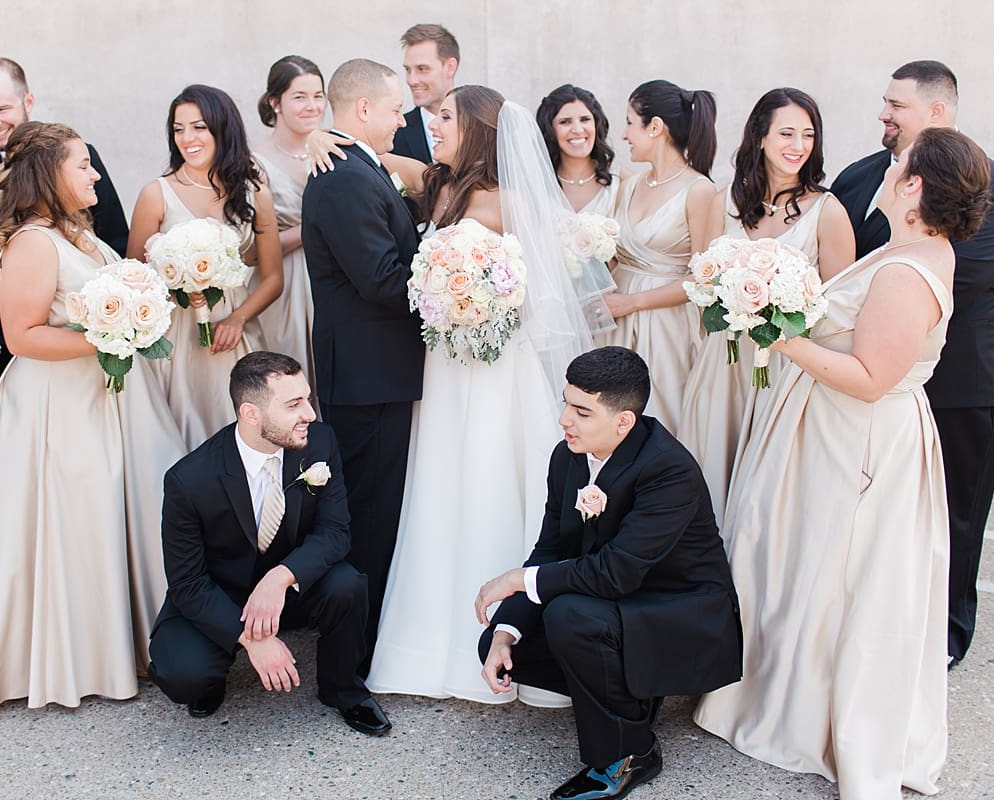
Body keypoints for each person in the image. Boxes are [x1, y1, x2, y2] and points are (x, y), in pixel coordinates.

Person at [695, 128, 993, 800]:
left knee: (836, 574)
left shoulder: (905, 272)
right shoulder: (908, 249)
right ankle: (781, 692)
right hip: (833, 429)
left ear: (914, 187)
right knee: (809, 568)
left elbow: (867, 376)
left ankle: (805, 715)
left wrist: (773, 328)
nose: (889, 170)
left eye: (900, 165)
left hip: (856, 438)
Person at [364, 85, 595, 704]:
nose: (431, 125)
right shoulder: (439, 187)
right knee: (440, 482)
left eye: (444, 117)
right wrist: (323, 141)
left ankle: (513, 636)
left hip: (495, 365)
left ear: (478, 128)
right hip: (443, 366)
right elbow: (382, 160)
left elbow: (544, 287)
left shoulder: (514, 200)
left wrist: (485, 303)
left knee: (493, 477)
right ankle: (428, 643)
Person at [0, 122, 186, 713]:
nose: (94, 175)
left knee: (111, 519)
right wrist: (112, 337)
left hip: (102, 397)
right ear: (48, 175)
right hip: (56, 409)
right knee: (75, 529)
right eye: (82, 165)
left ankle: (129, 644)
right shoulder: (34, 243)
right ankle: (75, 660)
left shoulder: (78, 235)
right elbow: (22, 334)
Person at [475, 346, 742, 800]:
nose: (564, 419)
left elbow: (615, 573)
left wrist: (515, 580)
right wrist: (508, 628)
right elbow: (551, 548)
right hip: (622, 603)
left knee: (571, 618)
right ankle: (632, 695)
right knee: (500, 643)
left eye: (581, 410)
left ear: (623, 422)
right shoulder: (568, 457)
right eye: (565, 403)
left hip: (679, 613)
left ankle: (629, 755)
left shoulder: (668, 470)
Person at [830, 60, 994, 667]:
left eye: (897, 105)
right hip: (870, 383)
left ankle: (945, 634)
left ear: (936, 114)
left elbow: (961, 272)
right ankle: (879, 624)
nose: (883, 113)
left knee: (955, 514)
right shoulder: (862, 176)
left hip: (961, 381)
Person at [146, 352, 391, 736]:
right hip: (221, 595)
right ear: (251, 413)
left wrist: (280, 577)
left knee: (347, 584)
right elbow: (187, 583)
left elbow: (335, 532)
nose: (309, 414)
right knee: (182, 673)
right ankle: (215, 673)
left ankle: (343, 689)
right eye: (294, 404)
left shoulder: (319, 443)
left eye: (307, 399)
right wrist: (250, 637)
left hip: (289, 590)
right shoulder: (188, 481)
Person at [676, 88, 854, 527]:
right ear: (759, 137)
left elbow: (838, 310)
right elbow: (700, 282)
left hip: (785, 369)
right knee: (709, 474)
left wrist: (777, 312)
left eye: (808, 135)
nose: (798, 146)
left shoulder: (827, 211)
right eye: (787, 133)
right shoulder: (724, 203)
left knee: (764, 495)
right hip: (722, 364)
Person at [300, 59, 423, 659]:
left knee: (377, 507)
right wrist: (455, 286)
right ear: (364, 109)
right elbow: (379, 279)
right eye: (396, 108)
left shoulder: (355, 165)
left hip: (375, 369)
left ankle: (365, 640)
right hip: (367, 373)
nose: (404, 120)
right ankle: (354, 655)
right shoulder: (346, 176)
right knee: (368, 515)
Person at [0, 57, 128, 372]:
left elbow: (115, 237)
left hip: (99, 331)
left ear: (28, 101)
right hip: (21, 341)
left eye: (2, 110)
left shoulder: (81, 157)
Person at [127, 84, 284, 449]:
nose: (187, 138)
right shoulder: (156, 193)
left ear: (221, 128)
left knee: (241, 426)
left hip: (234, 329)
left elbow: (273, 277)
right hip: (175, 337)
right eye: (178, 129)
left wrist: (238, 318)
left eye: (198, 127)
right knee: (182, 434)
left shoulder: (253, 189)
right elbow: (134, 278)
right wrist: (179, 285)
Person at [596, 80, 718, 434]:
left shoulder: (699, 190)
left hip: (665, 325)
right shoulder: (631, 183)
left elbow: (703, 280)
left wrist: (632, 303)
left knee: (660, 417)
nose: (624, 134)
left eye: (630, 123)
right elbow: (616, 257)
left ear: (655, 127)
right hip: (615, 318)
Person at [253, 56, 324, 392]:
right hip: (284, 287)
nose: (312, 106)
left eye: (318, 95)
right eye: (300, 97)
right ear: (274, 102)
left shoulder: (333, 150)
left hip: (329, 274)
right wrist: (314, 229)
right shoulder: (254, 164)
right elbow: (252, 251)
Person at [536, 84, 620, 215]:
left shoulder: (622, 182)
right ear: (549, 129)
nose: (578, 129)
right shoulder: (536, 185)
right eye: (565, 122)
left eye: (585, 119)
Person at [392, 23, 459, 163]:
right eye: (408, 70)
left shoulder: (481, 129)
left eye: (422, 69)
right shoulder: (394, 133)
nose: (412, 80)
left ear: (450, 68)